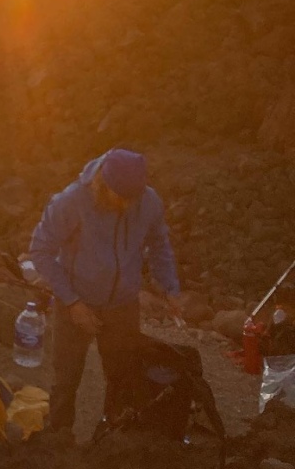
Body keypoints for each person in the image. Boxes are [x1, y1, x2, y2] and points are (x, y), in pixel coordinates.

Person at [28, 148, 182, 432]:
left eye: (132, 198)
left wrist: (170, 287)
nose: (127, 204)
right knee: (66, 379)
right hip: (75, 302)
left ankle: (112, 436)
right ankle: (58, 440)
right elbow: (40, 250)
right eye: (120, 197)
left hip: (122, 306)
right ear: (102, 183)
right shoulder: (71, 201)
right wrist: (72, 302)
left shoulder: (147, 201)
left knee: (121, 376)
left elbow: (159, 245)